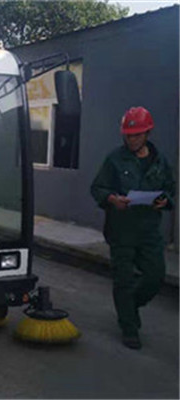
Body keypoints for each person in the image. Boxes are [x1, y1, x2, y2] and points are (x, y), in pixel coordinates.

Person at [90, 106, 175, 350]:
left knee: (155, 276)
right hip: (121, 230)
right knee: (123, 280)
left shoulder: (160, 161)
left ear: (147, 133)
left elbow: (170, 189)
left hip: (149, 230)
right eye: (128, 136)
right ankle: (129, 327)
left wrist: (165, 201)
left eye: (136, 135)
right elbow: (97, 188)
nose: (131, 140)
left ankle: (130, 306)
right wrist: (112, 199)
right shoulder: (115, 159)